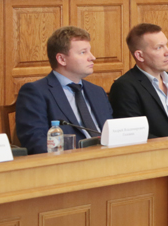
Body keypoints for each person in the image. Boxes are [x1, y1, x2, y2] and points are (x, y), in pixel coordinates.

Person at [15, 26, 113, 154]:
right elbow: (36, 142)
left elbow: (114, 132)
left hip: (109, 158)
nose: (92, 57)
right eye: (83, 52)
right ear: (61, 59)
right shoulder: (35, 92)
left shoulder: (97, 92)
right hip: (69, 161)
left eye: (90, 51)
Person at [109, 23, 168, 138]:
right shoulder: (125, 87)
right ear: (140, 56)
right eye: (159, 47)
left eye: (166, 45)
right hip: (162, 148)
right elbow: (134, 135)